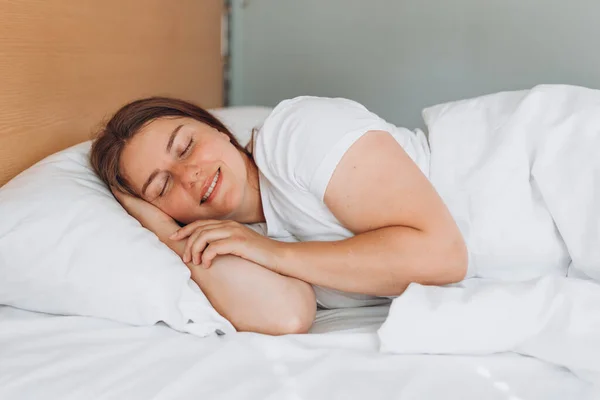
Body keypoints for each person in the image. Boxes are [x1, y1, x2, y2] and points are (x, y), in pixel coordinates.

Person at [90, 96, 467, 335]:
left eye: (187, 146)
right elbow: (286, 316)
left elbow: (443, 256)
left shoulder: (293, 134)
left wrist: (272, 253)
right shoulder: (240, 240)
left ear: (219, 130)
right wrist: (159, 226)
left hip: (507, 174)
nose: (189, 176)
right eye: (162, 187)